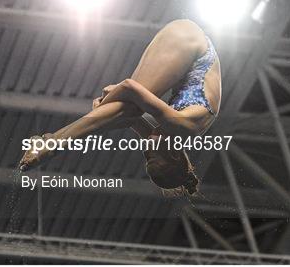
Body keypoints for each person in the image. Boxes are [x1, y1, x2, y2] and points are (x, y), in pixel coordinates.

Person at [19, 19, 221, 195]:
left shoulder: (168, 135)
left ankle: (53, 142)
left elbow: (130, 121)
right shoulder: (184, 125)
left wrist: (103, 110)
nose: (145, 148)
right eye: (151, 155)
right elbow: (128, 88)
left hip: (185, 41)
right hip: (189, 42)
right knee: (131, 108)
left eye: (145, 156)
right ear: (174, 154)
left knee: (126, 114)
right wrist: (107, 101)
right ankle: (54, 144)